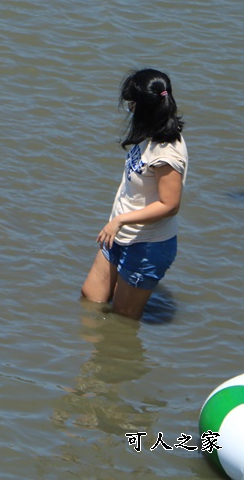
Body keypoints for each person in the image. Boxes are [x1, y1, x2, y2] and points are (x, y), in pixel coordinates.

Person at [81, 69, 188, 320]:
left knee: (122, 321)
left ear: (143, 108)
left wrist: (120, 220)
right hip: (119, 235)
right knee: (90, 299)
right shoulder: (150, 134)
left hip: (147, 245)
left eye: (131, 104)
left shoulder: (166, 154)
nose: (128, 108)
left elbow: (170, 205)